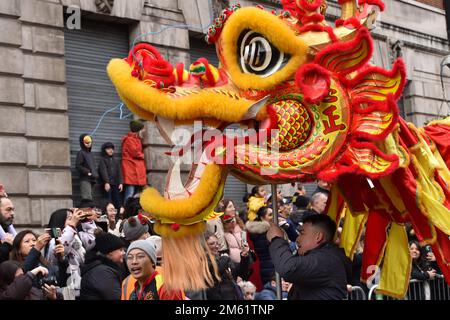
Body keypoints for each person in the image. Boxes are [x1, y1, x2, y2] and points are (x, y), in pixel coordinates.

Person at [267, 214, 352, 300]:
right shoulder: (324, 256)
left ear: (318, 237)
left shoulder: (325, 260)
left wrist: (276, 239)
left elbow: (288, 268)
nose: (298, 239)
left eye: (302, 233)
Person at [80, 232, 125, 300]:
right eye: (120, 250)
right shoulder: (102, 273)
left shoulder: (102, 268)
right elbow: (117, 297)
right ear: (109, 253)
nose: (124, 253)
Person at [245, 206, 274, 290]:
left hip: (267, 266)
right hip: (268, 267)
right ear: (262, 217)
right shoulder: (262, 232)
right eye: (270, 215)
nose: (273, 217)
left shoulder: (263, 230)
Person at [122, 120, 147, 203]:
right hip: (131, 171)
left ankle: (133, 212)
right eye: (142, 130)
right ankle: (126, 212)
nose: (144, 131)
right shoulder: (129, 140)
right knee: (130, 194)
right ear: (138, 130)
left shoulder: (136, 140)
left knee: (135, 195)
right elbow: (135, 153)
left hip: (135, 171)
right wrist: (143, 155)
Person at [98, 142, 124, 212]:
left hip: (115, 184)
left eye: (112, 148)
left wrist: (121, 183)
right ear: (104, 150)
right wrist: (106, 182)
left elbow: (119, 172)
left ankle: (119, 216)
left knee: (117, 199)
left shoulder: (115, 161)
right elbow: (103, 171)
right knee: (108, 200)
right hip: (107, 185)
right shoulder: (102, 160)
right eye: (108, 149)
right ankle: (108, 216)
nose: (111, 150)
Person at [76, 134, 98, 201]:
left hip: (93, 179)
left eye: (90, 141)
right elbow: (78, 165)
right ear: (82, 142)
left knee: (91, 199)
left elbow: (93, 166)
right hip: (85, 179)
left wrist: (95, 175)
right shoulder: (81, 153)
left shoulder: (91, 154)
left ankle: (89, 211)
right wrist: (87, 172)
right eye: (86, 141)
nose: (88, 143)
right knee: (87, 199)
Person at [0, 196, 15, 264]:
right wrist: (6, 245)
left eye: (13, 210)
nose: (12, 213)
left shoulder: (8, 230)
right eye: (8, 209)